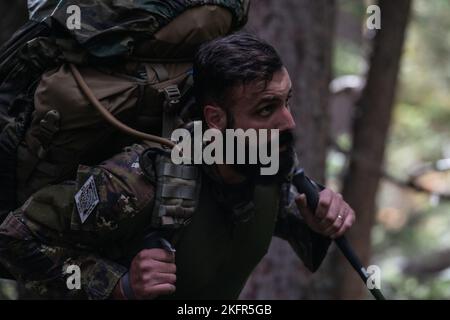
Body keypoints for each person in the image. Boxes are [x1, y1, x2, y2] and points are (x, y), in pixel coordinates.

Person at [0, 33, 355, 300]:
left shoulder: (267, 165)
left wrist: (320, 220)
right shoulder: (138, 182)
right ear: (215, 119)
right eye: (266, 109)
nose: (289, 122)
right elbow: (14, 238)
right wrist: (118, 287)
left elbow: (271, 220)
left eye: (287, 101)